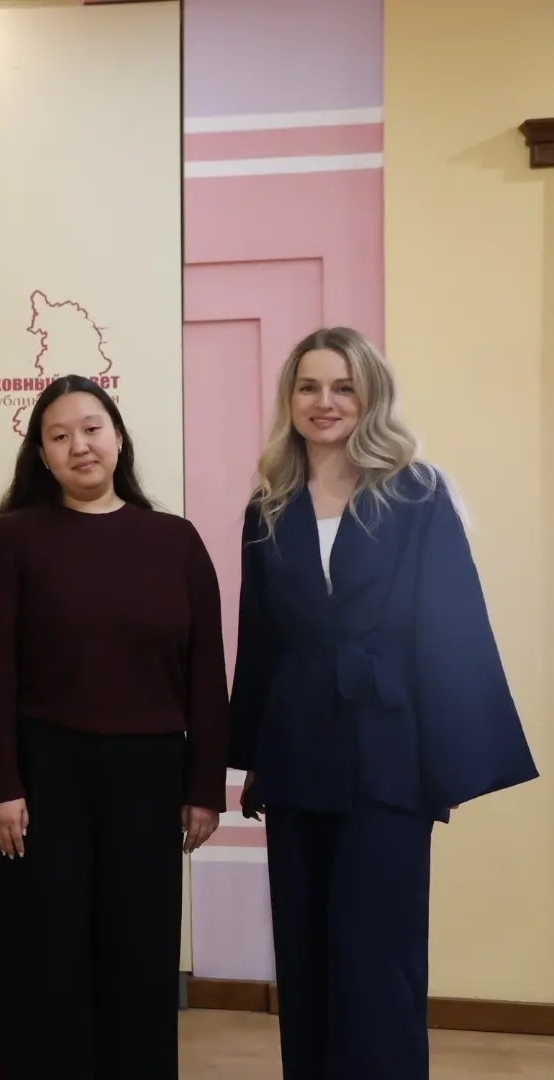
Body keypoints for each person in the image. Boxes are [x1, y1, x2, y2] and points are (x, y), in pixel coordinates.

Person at [229, 327, 538, 1079]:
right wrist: (253, 759)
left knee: (378, 957)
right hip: (298, 752)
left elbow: (453, 627)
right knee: (305, 951)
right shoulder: (269, 506)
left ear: (370, 396)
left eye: (343, 386)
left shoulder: (416, 493)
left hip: (390, 755)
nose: (325, 402)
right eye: (309, 387)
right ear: (289, 399)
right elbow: (259, 639)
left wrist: (445, 763)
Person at [0, 375, 228, 1079]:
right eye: (60, 435)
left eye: (92, 428)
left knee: (139, 960)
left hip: (149, 780)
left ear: (118, 438)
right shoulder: (11, 540)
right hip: (38, 782)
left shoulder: (174, 540)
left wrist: (204, 787)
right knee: (42, 963)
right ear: (41, 454)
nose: (79, 445)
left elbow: (207, 671)